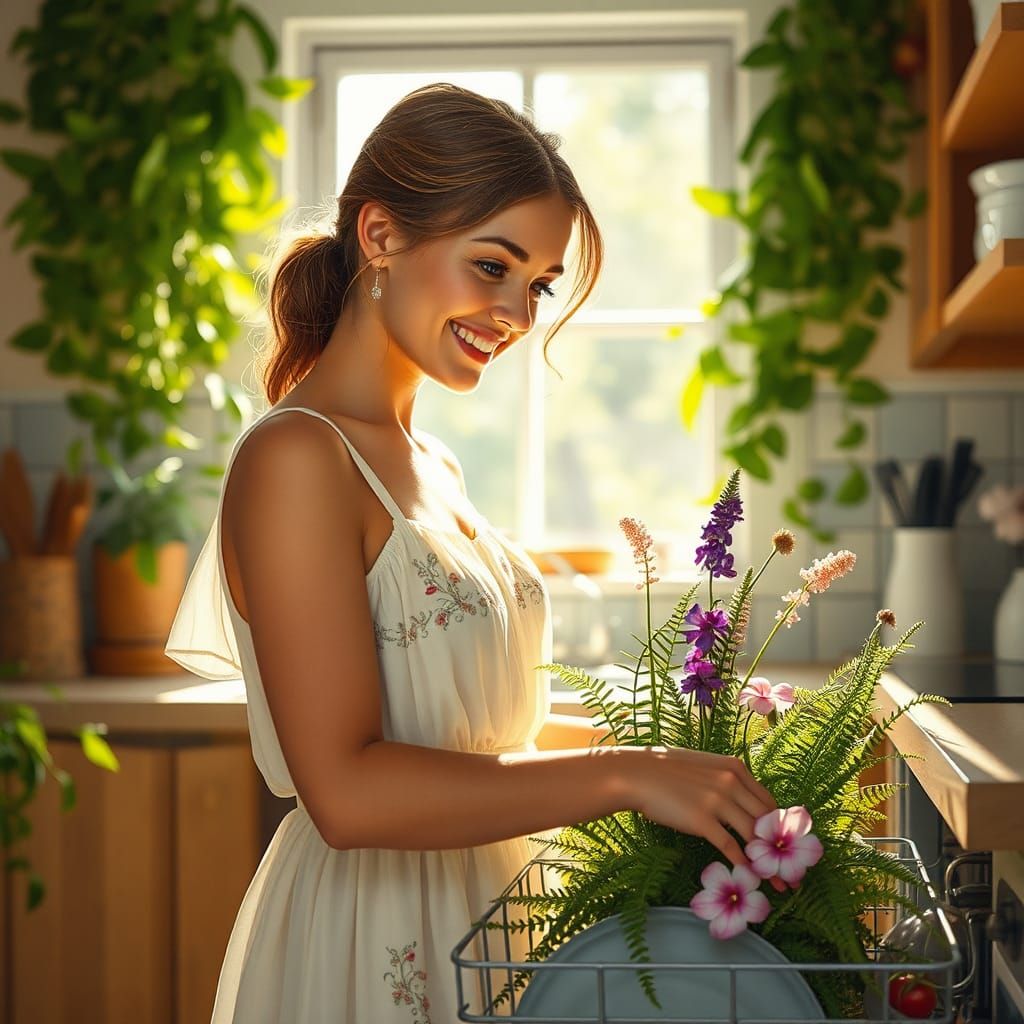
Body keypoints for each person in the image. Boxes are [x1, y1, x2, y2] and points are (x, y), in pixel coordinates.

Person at [165, 82, 777, 1023]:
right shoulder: (296, 458)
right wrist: (625, 775)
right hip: (373, 938)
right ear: (380, 237)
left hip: (488, 918)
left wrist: (674, 761)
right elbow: (348, 793)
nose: (519, 315)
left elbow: (477, 742)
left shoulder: (431, 461)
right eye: (491, 266)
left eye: (535, 285)